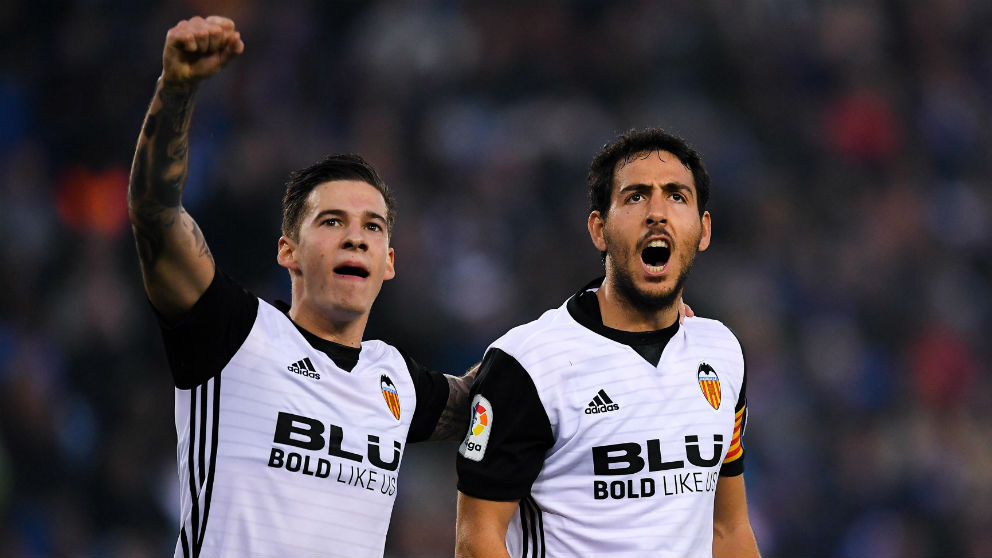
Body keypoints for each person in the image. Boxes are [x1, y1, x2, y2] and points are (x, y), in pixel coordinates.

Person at [128, 16, 475, 558]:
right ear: (288, 250)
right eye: (332, 222)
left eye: (373, 227)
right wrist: (175, 92)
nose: (355, 238)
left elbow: (490, 399)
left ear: (389, 263)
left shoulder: (397, 383)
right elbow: (155, 216)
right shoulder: (237, 335)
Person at [454, 129, 760, 558]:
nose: (657, 212)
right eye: (635, 196)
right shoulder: (529, 363)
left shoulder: (721, 351)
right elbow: (476, 541)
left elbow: (729, 530)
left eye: (676, 196)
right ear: (599, 229)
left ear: (703, 229)